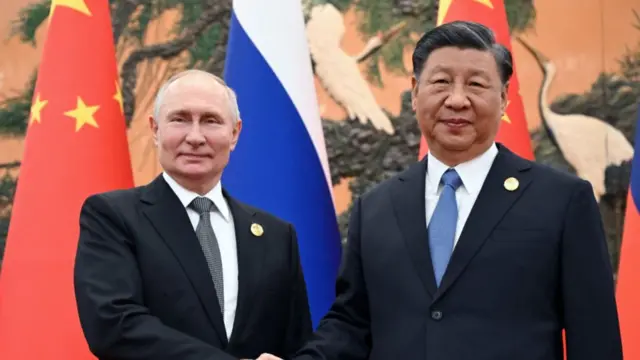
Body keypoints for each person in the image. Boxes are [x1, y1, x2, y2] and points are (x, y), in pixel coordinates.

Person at [257, 20, 623, 360]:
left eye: (477, 85)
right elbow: (352, 323)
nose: (457, 100)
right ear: (416, 93)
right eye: (441, 82)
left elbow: (594, 336)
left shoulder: (561, 200)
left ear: (504, 98)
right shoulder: (377, 207)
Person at [73, 69, 312, 360]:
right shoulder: (113, 217)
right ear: (155, 129)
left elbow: (296, 342)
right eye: (180, 119)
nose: (195, 137)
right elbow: (113, 326)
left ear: (235, 133)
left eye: (211, 121)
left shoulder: (276, 236)